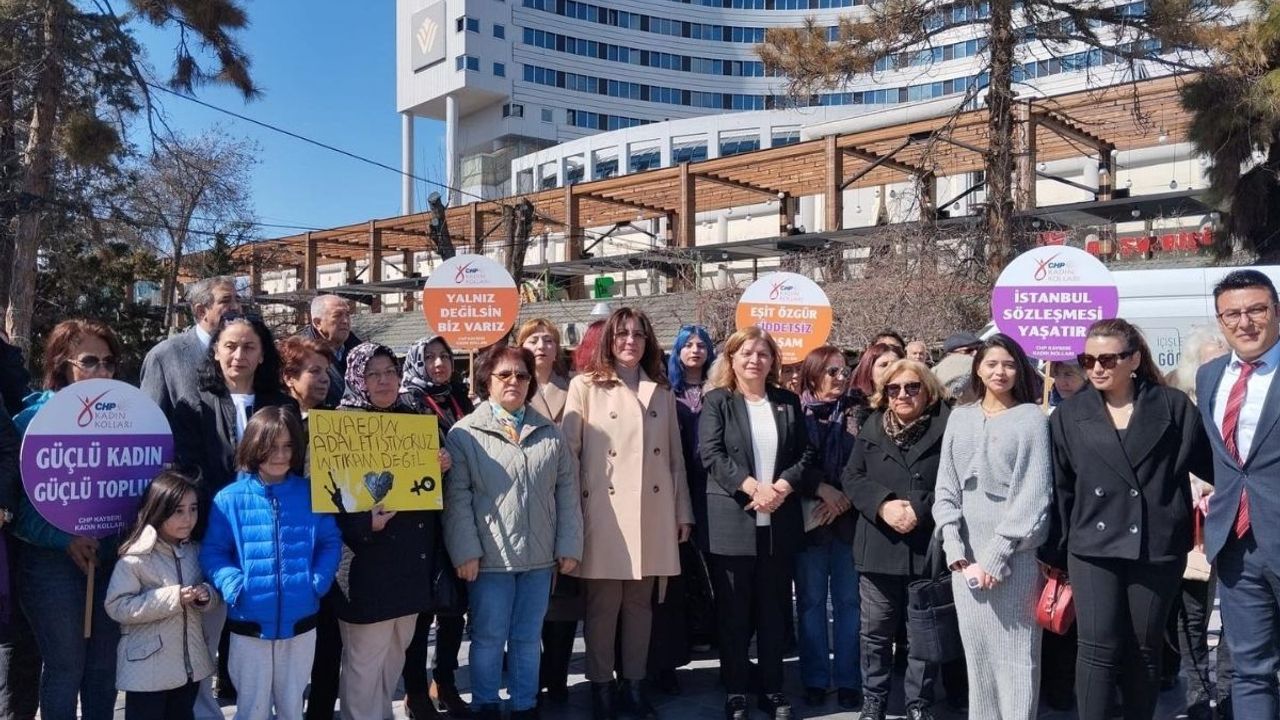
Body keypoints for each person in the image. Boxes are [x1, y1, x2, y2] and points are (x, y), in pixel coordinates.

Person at [1043, 318, 1213, 720]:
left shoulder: (1172, 406)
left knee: (1144, 647)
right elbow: (1061, 487)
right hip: (1092, 545)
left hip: (1155, 544)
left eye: (1107, 359)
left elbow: (1210, 465)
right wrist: (1055, 550)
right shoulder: (1069, 414)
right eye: (1088, 360)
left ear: (1133, 359)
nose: (1096, 368)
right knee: (1097, 648)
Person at [561, 308, 693, 720]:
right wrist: (572, 516)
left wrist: (682, 512)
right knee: (602, 608)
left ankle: (634, 685)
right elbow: (568, 457)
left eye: (638, 334)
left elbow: (674, 460)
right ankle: (602, 687)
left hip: (652, 513)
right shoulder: (584, 386)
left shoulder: (661, 391)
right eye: (622, 334)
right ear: (609, 340)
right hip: (603, 513)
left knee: (640, 608)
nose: (630, 341)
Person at [443, 346, 583, 720]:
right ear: (486, 380)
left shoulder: (549, 433)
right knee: (488, 637)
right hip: (490, 559)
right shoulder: (465, 434)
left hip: (539, 558)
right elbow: (457, 498)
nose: (514, 382)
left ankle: (525, 705)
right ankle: (486, 704)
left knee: (527, 637)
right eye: (504, 374)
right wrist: (465, 551)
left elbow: (566, 492)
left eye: (521, 375)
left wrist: (569, 544)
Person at [699, 327, 818, 720]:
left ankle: (772, 689)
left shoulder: (787, 402)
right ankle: (735, 690)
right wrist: (752, 487)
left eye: (763, 354)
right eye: (746, 352)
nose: (755, 360)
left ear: (773, 362)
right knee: (734, 615)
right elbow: (711, 454)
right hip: (733, 522)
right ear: (732, 358)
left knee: (773, 613)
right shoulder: (717, 401)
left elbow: (805, 453)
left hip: (779, 523)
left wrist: (781, 487)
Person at [933, 333, 1053, 720]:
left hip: (1015, 561)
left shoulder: (1032, 419)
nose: (1000, 371)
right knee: (978, 661)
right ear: (978, 369)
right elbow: (945, 488)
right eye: (991, 364)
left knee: (1017, 660)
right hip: (965, 563)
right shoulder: (960, 417)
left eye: (1009, 364)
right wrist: (955, 550)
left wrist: (995, 558)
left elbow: (1034, 496)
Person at [12, 319, 124, 720]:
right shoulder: (31, 423)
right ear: (62, 364)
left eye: (108, 362)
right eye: (90, 361)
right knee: (66, 666)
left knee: (103, 669)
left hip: (109, 560)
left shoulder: (127, 418)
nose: (102, 371)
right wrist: (65, 538)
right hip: (51, 564)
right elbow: (15, 509)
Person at [200, 407, 343, 720]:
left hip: (301, 623)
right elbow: (214, 552)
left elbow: (330, 542)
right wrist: (235, 586)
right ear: (253, 446)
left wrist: (316, 582)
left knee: (292, 706)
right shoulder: (229, 499)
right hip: (249, 625)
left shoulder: (311, 494)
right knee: (252, 709)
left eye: (288, 446)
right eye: (270, 446)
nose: (280, 455)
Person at [331, 342, 444, 720]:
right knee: (364, 668)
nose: (384, 381)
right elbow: (325, 503)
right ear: (356, 378)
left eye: (390, 372)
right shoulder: (338, 428)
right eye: (373, 374)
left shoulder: (413, 420)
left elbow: (426, 492)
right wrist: (364, 524)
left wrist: (439, 467)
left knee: (393, 660)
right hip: (366, 571)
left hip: (410, 568)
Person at [843, 358, 951, 720]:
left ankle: (919, 703)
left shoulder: (948, 425)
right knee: (875, 632)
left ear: (927, 390)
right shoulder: (872, 425)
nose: (903, 394)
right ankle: (874, 699)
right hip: (879, 544)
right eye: (894, 388)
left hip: (926, 545)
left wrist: (920, 509)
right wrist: (883, 505)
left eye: (912, 387)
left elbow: (958, 480)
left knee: (922, 634)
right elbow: (852, 476)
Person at [1195, 269, 1280, 717]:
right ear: (1220, 320)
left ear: (1276, 312)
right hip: (1236, 546)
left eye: (1256, 310)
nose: (1244, 322)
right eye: (1232, 314)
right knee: (1250, 670)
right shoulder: (1210, 376)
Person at [398, 333, 473, 717]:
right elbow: (397, 463)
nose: (439, 364)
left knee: (454, 607)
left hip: (458, 514)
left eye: (444, 356)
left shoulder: (459, 398)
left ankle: (444, 680)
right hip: (421, 520)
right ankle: (414, 689)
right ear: (416, 362)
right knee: (422, 610)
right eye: (429, 357)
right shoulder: (406, 403)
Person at [105, 471, 219, 720]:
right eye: (178, 511)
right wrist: (173, 598)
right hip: (147, 673)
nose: (188, 518)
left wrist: (206, 596)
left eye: (193, 509)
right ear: (158, 510)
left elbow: (214, 591)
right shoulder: (136, 557)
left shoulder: (196, 552)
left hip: (188, 667)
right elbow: (117, 606)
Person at [1168, 326, 1234, 720]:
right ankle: (1196, 688)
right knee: (1192, 613)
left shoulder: (1242, 401)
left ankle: (1227, 690)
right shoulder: (1181, 406)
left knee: (1236, 611)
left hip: (1235, 520)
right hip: (1193, 527)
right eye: (1209, 361)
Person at [649, 324, 718, 695]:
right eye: (687, 345)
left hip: (713, 486)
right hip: (674, 485)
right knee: (678, 571)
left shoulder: (719, 389)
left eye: (701, 344)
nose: (695, 350)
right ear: (676, 352)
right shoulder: (666, 392)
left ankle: (711, 629)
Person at [794, 346, 861, 710]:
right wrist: (821, 488)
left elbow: (866, 462)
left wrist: (844, 497)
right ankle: (816, 678)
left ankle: (849, 679)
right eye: (832, 371)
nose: (840, 377)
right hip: (809, 522)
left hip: (849, 520)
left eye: (844, 371)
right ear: (813, 373)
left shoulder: (858, 410)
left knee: (850, 603)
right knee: (810, 603)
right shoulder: (794, 410)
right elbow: (789, 462)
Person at [516, 319, 579, 704]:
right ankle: (531, 676)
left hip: (567, 497)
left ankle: (557, 676)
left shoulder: (575, 389)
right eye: (533, 340)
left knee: (565, 596)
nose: (541, 346)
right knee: (529, 599)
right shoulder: (511, 388)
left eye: (548, 340)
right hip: (525, 503)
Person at [140, 276, 241, 419]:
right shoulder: (164, 356)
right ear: (201, 311)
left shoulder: (248, 353)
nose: (236, 307)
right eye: (225, 301)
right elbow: (149, 420)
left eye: (238, 300)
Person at [298, 294, 362, 408]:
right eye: (337, 315)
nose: (345, 321)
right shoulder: (299, 354)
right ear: (318, 323)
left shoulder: (362, 353)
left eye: (347, 315)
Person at [931, 331, 983, 399]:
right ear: (950, 355)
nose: (975, 353)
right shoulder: (932, 376)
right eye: (969, 351)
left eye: (978, 350)